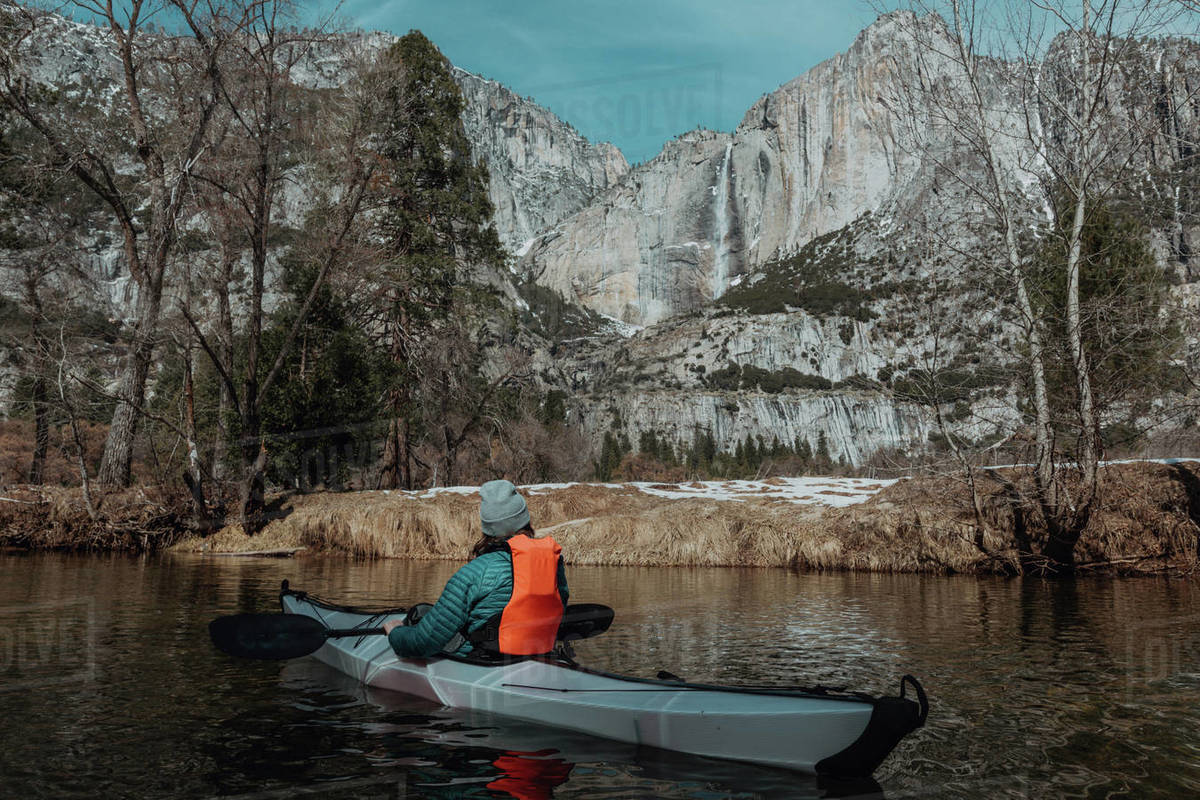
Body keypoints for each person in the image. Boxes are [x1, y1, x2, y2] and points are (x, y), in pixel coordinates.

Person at [382, 479, 568, 659]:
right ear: (525, 520)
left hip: (485, 659)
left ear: (488, 527)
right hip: (538, 652)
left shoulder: (474, 573)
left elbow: (421, 643)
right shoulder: (553, 564)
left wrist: (395, 632)